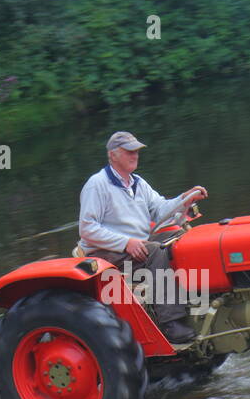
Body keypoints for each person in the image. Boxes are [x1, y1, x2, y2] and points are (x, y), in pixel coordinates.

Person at [78, 131, 207, 344]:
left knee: (180, 239)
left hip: (135, 246)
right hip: (107, 255)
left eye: (136, 151)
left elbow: (161, 210)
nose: (135, 155)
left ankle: (200, 303)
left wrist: (185, 199)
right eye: (129, 151)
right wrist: (126, 243)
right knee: (155, 251)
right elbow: (87, 229)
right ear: (112, 155)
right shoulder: (97, 184)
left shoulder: (137, 183)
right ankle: (172, 322)